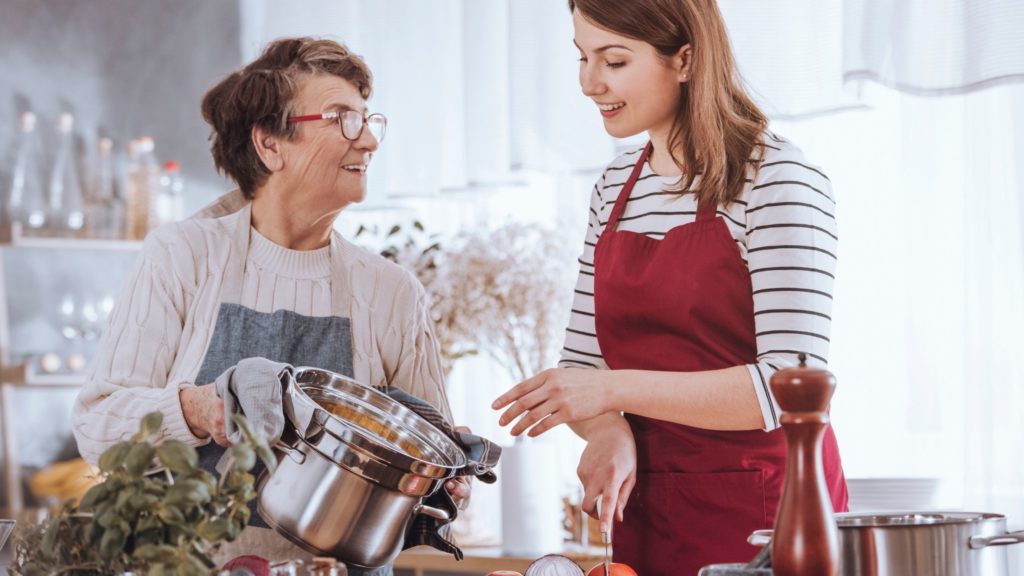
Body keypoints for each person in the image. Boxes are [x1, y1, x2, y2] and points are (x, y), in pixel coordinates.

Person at [72, 37, 469, 575]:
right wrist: (201, 407)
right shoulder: (184, 256)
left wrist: (446, 478)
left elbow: (431, 470)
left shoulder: (392, 291)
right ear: (270, 145)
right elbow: (97, 427)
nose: (369, 139)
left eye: (368, 119)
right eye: (341, 118)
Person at [492, 1, 848, 573]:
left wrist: (614, 395)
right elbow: (586, 369)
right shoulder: (614, 188)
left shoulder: (778, 180)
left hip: (765, 516)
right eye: (582, 57)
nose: (589, 83)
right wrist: (607, 432)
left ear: (685, 59)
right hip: (651, 515)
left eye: (613, 60)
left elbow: (786, 390)